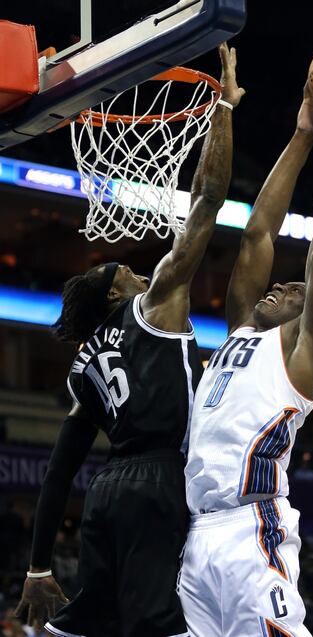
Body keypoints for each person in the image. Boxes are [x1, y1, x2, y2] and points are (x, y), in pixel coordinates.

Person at [14, 43, 245, 637]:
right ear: (120, 295)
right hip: (158, 479)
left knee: (91, 622)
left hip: (106, 491)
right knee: (158, 626)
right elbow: (206, 202)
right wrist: (222, 108)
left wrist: (38, 564)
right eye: (130, 273)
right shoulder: (154, 306)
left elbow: (62, 468)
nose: (142, 272)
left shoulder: (82, 367)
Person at [179, 59, 313, 636]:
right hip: (198, 535)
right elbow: (258, 233)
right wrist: (303, 133)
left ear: (309, 314)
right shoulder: (243, 329)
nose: (281, 285)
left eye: (295, 289)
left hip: (252, 530)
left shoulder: (301, 356)